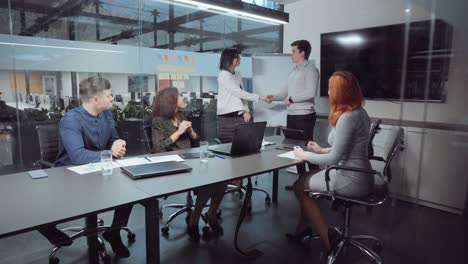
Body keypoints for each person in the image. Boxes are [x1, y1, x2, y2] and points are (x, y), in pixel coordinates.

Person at [37, 76, 133, 258]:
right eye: (109, 95)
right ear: (96, 99)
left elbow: (113, 140)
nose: (112, 98)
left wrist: (118, 144)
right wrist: (109, 153)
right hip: (70, 176)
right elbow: (78, 156)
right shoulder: (71, 119)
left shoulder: (107, 115)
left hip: (98, 171)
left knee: (130, 189)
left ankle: (114, 232)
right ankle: (47, 226)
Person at [289, 71, 374, 253]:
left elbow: (334, 159)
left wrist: (305, 156)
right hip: (362, 174)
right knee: (304, 181)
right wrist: (321, 150)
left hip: (351, 178)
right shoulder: (359, 112)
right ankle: (302, 229)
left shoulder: (347, 118)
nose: (328, 92)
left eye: (330, 89)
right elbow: (346, 148)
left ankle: (328, 240)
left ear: (340, 92)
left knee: (299, 187)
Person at [151, 87, 226, 241]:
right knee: (206, 180)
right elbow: (157, 149)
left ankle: (211, 214)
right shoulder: (158, 121)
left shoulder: (181, 116)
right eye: (179, 96)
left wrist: (191, 132)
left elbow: (196, 141)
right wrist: (178, 131)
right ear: (171, 101)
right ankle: (194, 219)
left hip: (191, 159)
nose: (182, 97)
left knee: (222, 177)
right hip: (173, 164)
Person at [267, 39, 319, 142]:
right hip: (291, 115)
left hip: (304, 116)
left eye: (294, 51)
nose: (291, 54)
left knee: (304, 146)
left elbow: (311, 92)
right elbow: (285, 92)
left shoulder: (311, 69)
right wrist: (273, 97)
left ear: (302, 53)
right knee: (290, 146)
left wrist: (291, 99)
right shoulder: (294, 71)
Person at [216, 48, 270, 143]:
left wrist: (245, 111)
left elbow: (241, 94)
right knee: (229, 148)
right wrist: (260, 97)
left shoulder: (237, 74)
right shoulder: (223, 75)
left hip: (238, 116)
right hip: (226, 119)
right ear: (230, 59)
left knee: (244, 145)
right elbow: (237, 92)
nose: (240, 59)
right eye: (237, 57)